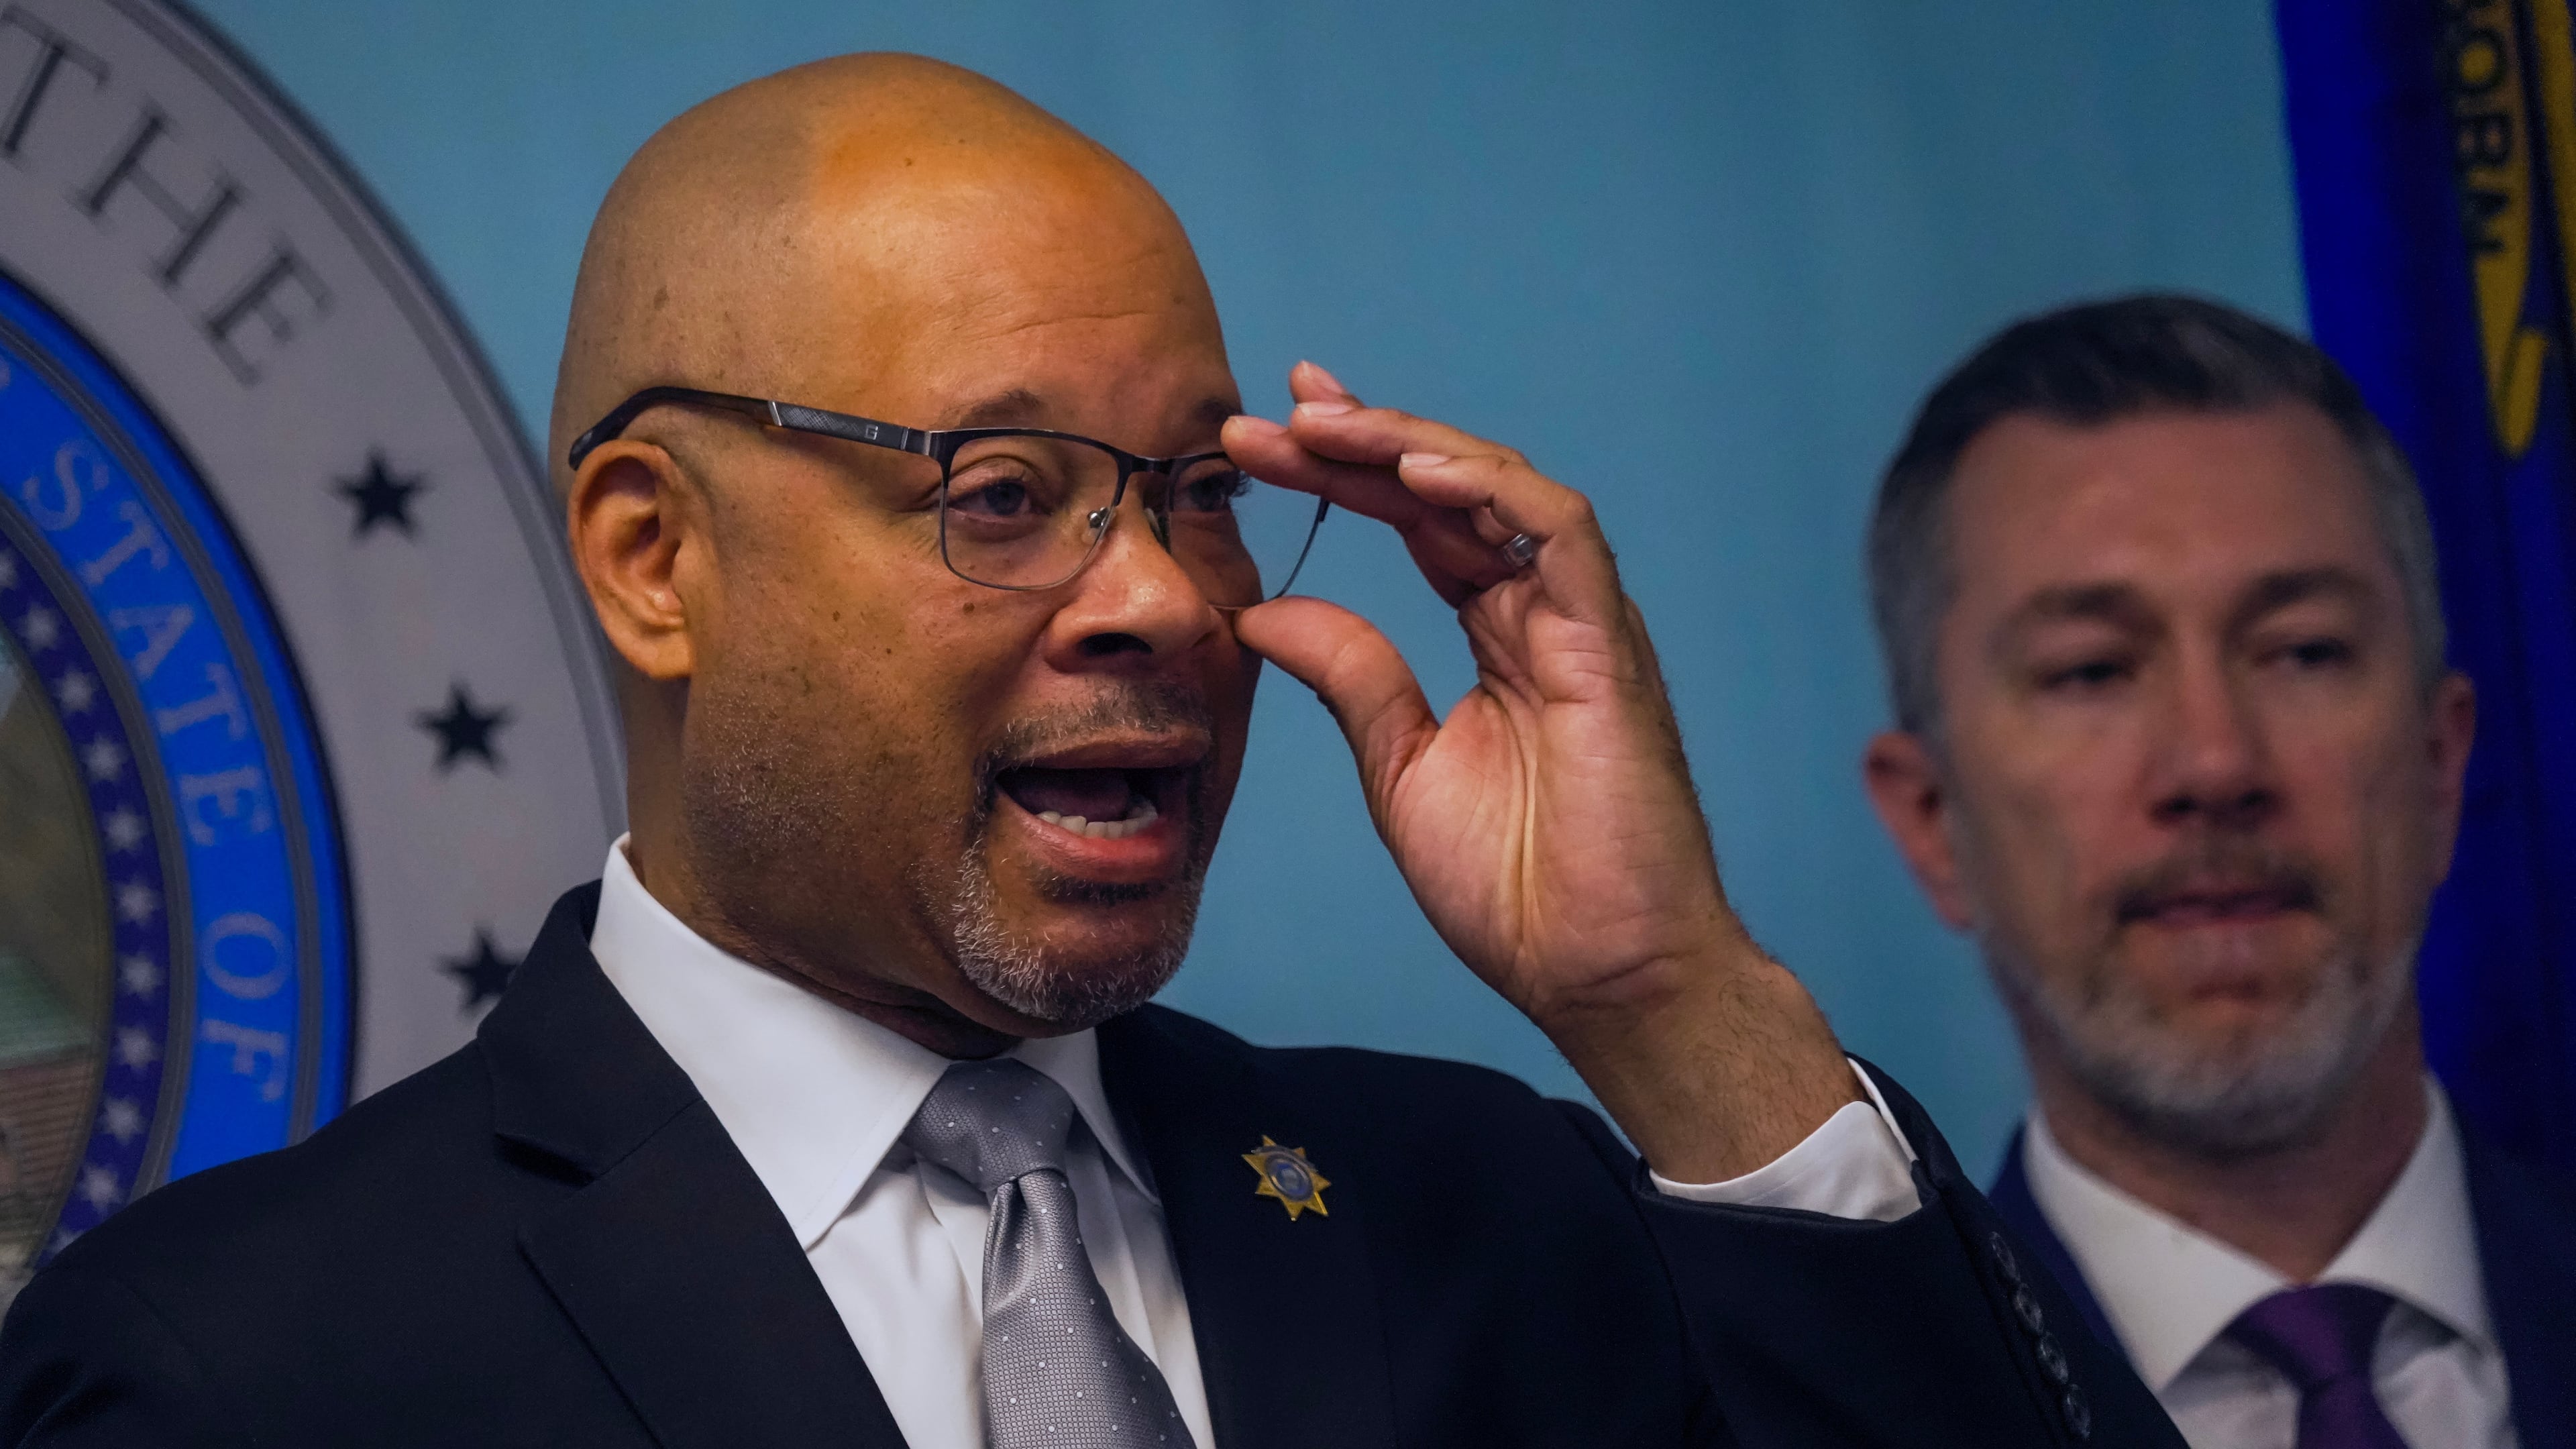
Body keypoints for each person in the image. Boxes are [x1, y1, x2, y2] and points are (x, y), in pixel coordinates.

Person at [1, 56, 2174, 1447]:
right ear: (659, 561)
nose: (1162, 598)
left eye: (1198, 486)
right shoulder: (239, 1371)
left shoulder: (1503, 1215)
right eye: (1007, 490)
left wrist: (1668, 999)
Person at [1860, 294, 2576, 1449]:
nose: (2215, 763)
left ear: (2442, 767)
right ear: (1933, 819)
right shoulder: (1826, 1419)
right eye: (2092, 671)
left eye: (2302, 651)